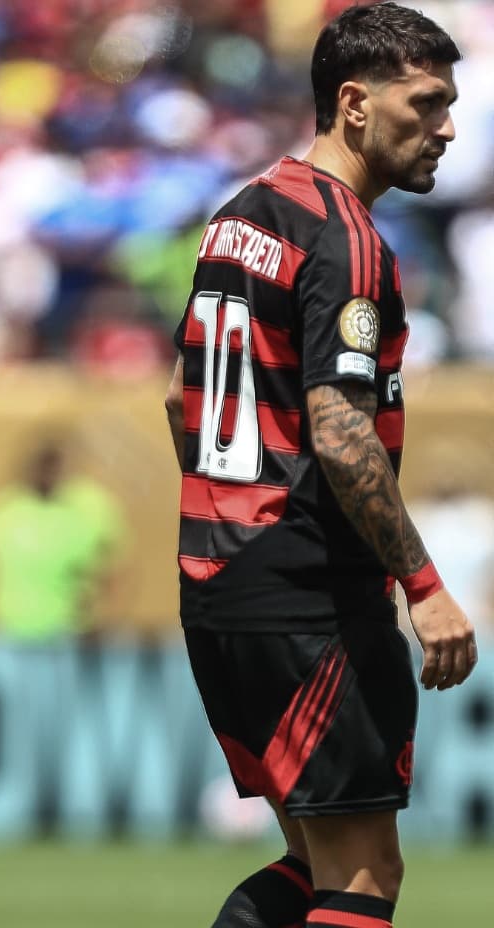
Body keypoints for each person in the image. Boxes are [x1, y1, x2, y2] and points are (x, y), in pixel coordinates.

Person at [163, 5, 477, 928]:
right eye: (426, 103)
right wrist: (423, 585)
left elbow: (177, 396)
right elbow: (341, 430)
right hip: (306, 590)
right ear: (353, 103)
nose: (448, 127)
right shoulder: (345, 238)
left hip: (217, 577)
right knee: (366, 873)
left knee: (313, 860)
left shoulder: (239, 216)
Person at [0, 436, 125, 643]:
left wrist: (106, 616)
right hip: (11, 635)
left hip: (70, 636)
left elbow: (117, 569)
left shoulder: (89, 507)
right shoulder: (4, 511)